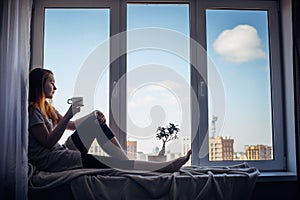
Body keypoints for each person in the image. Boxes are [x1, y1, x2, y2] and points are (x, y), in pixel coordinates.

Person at [28, 67, 191, 172]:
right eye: (51, 83)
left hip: (61, 151)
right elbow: (48, 142)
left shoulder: (47, 108)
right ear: (40, 84)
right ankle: (166, 167)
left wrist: (92, 117)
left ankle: (126, 161)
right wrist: (70, 113)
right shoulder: (33, 110)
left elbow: (70, 126)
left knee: (95, 123)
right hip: (53, 161)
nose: (55, 88)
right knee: (111, 163)